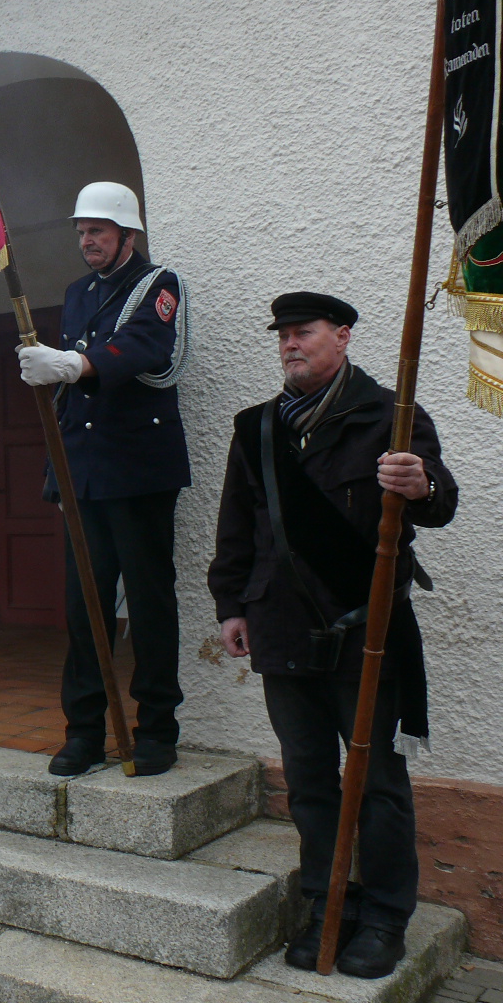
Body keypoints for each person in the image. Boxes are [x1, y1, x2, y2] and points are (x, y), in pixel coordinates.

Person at [208, 292, 456, 979]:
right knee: (311, 780)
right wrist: (232, 603)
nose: (290, 344)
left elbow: (441, 504)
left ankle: (382, 916)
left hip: (366, 632)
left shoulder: (390, 417)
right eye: (283, 335)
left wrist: (422, 483)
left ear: (342, 337)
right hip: (280, 627)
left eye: (304, 333)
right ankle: (327, 903)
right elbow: (239, 524)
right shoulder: (256, 428)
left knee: (376, 781)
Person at [15, 182, 191, 777]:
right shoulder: (76, 292)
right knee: (82, 607)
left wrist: (73, 364)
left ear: (127, 235)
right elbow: (74, 389)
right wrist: (57, 474)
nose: (88, 240)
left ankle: (157, 731)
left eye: (99, 230)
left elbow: (143, 349)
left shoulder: (158, 283)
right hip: (85, 470)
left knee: (147, 604)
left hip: (138, 469)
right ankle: (85, 730)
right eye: (82, 231)